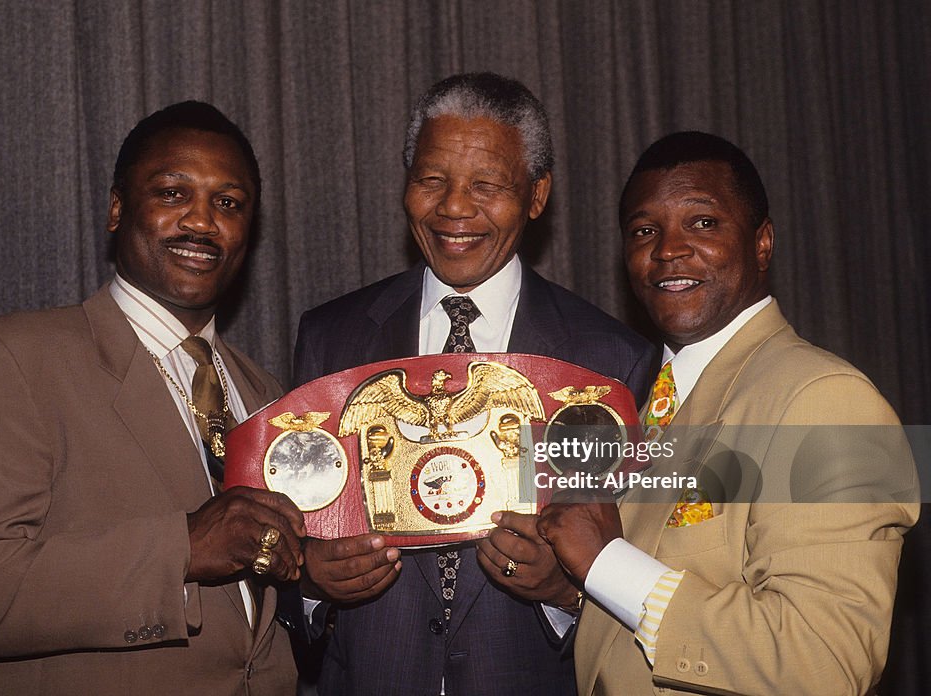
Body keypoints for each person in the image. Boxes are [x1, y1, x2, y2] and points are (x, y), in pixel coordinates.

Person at [0, 101, 306, 695]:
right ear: (118, 209)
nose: (202, 222)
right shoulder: (9, 357)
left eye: (229, 203)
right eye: (173, 194)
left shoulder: (265, 392)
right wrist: (181, 550)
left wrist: (317, 576)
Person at [289, 73, 654, 695]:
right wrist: (308, 583)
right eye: (432, 181)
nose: (454, 208)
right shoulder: (330, 338)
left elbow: (641, 572)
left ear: (537, 196)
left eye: (486, 185)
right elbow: (291, 532)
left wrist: (567, 593)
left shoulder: (612, 360)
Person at [537, 131, 920, 695]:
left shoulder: (829, 399)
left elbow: (825, 662)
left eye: (703, 223)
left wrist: (606, 563)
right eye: (645, 231)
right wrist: (567, 588)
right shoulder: (633, 404)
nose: (668, 249)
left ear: (762, 243)